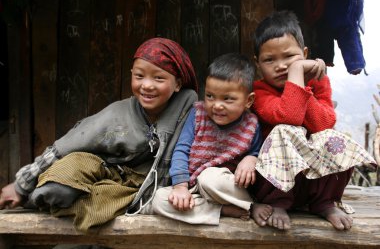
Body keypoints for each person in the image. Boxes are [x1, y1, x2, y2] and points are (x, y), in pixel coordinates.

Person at [0, 37, 198, 232]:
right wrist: (20, 186)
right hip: (104, 171)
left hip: (133, 190)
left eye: (158, 78)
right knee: (55, 187)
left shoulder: (187, 112)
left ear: (178, 84)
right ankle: (33, 198)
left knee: (99, 206)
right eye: (139, 76)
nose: (147, 85)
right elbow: (62, 148)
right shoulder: (116, 114)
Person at [250, 11, 377, 231]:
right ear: (258, 64)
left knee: (332, 138)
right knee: (283, 131)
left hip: (310, 182)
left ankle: (324, 202)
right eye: (269, 60)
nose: (280, 66)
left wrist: (304, 86)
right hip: (273, 184)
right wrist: (297, 72)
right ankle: (278, 203)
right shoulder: (260, 91)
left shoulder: (318, 82)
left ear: (304, 53)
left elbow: (323, 123)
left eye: (289, 57)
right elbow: (289, 117)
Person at [152, 53, 273, 226]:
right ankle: (220, 211)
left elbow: (258, 154)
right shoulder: (198, 114)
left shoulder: (251, 124)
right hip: (193, 187)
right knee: (158, 199)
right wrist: (180, 187)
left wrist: (251, 158)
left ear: (248, 101)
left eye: (227, 99)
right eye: (210, 96)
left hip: (225, 187)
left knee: (209, 178)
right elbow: (181, 150)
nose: (216, 105)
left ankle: (250, 205)